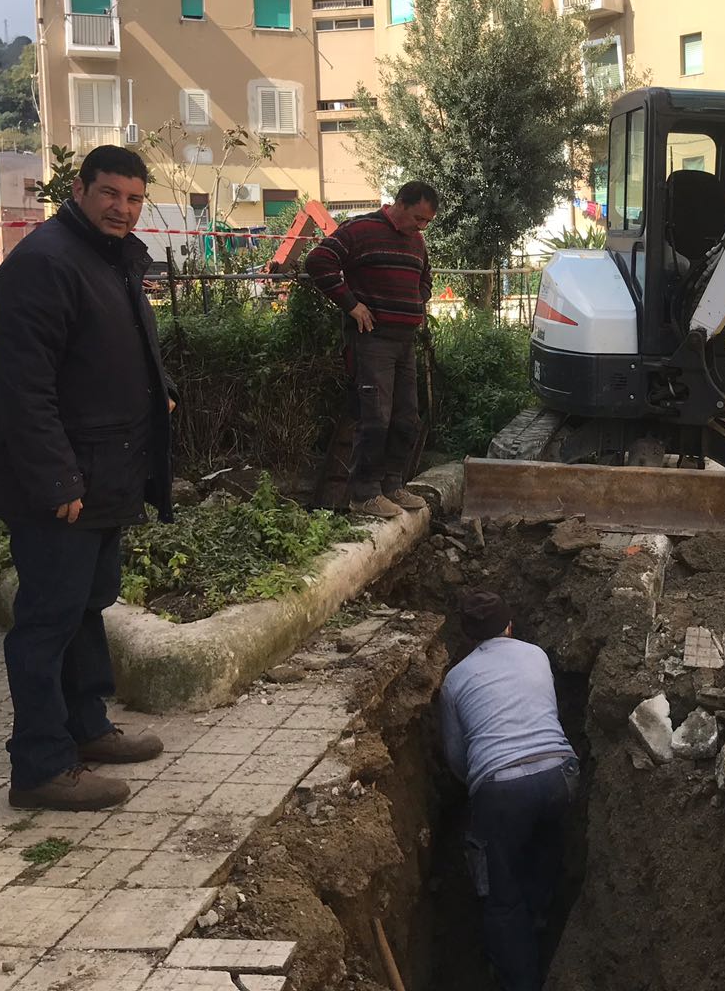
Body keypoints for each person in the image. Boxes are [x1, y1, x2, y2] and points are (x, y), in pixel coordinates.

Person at [0, 145, 174, 811]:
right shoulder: (45, 263)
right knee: (47, 621)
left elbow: (120, 345)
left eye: (134, 198)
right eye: (111, 194)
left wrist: (159, 389)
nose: (123, 208)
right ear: (81, 191)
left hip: (107, 469)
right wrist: (58, 479)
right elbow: (23, 388)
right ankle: (39, 766)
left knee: (87, 606)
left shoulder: (110, 258)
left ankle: (86, 728)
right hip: (62, 483)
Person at [440, 590, 579, 991]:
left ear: (469, 638)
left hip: (500, 787)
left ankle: (520, 976)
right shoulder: (536, 654)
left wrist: (487, 791)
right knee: (542, 854)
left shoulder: (455, 680)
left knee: (500, 897)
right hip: (563, 774)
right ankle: (537, 927)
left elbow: (455, 756)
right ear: (509, 626)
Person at [305, 181, 438, 519]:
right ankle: (364, 494)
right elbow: (318, 261)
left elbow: (426, 279)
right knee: (374, 417)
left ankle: (393, 485)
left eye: (427, 222)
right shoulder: (360, 230)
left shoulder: (417, 241)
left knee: (406, 416)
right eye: (418, 218)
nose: (421, 227)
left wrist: (417, 303)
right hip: (372, 340)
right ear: (400, 204)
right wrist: (352, 305)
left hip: (405, 341)